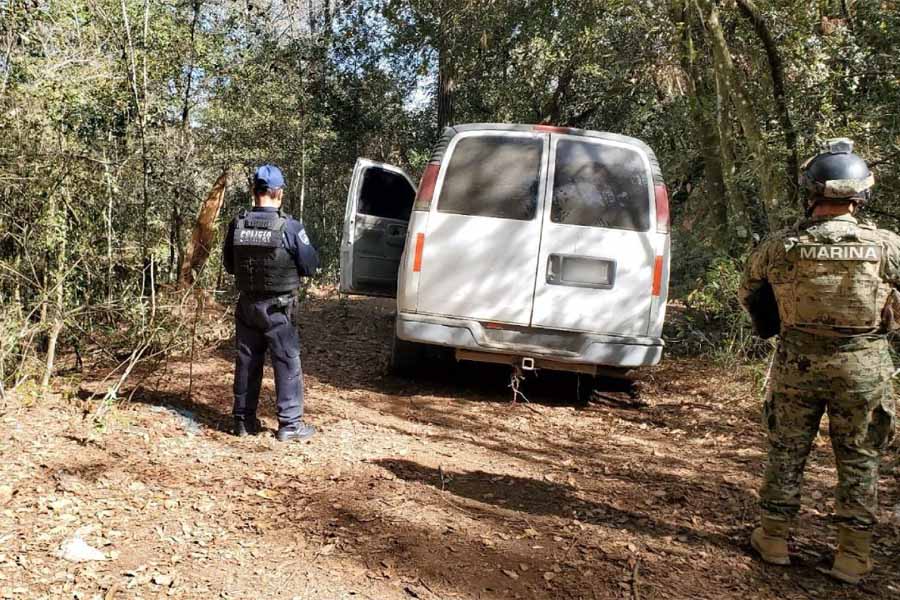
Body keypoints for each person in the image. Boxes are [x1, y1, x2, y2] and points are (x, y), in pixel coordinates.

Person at [739, 138, 899, 584]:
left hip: (797, 364)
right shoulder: (886, 246)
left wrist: (775, 324)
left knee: (787, 450)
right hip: (864, 366)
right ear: (861, 194)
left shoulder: (782, 246)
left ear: (809, 192)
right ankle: (852, 554)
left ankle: (773, 538)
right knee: (860, 457)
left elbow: (750, 292)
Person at [223, 164, 320, 442]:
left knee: (246, 361)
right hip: (279, 308)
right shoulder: (289, 227)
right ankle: (289, 425)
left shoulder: (237, 224)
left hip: (247, 306)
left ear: (254, 191)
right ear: (279, 193)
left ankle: (243, 421)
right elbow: (310, 265)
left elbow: (230, 265)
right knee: (286, 361)